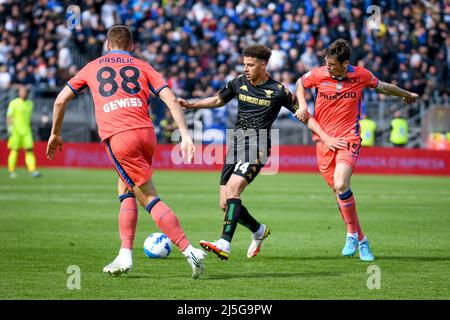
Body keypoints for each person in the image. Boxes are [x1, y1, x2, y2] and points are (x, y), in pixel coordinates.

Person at [46, 25, 206, 279]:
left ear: (108, 45)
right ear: (131, 46)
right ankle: (125, 255)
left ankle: (189, 250)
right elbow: (171, 99)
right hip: (146, 133)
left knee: (149, 198)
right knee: (125, 188)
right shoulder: (143, 66)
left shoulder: (92, 67)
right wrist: (185, 135)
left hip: (120, 136)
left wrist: (55, 133)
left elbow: (60, 100)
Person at [179, 44, 345, 260]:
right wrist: (191, 105)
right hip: (236, 143)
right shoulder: (239, 82)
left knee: (233, 189)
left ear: (263, 65)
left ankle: (224, 243)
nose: (245, 68)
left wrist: (325, 136)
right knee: (225, 203)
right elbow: (219, 99)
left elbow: (305, 117)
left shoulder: (278, 91)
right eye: (244, 64)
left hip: (258, 145)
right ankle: (258, 230)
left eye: (250, 65)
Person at [295, 39, 419, 261]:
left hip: (348, 138)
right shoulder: (318, 74)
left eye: (332, 64)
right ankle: (360, 239)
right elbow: (299, 83)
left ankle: (352, 235)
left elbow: (382, 86)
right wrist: (303, 106)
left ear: (345, 63)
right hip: (323, 141)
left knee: (342, 183)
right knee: (338, 193)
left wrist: (405, 93)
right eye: (326, 62)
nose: (328, 67)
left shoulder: (360, 75)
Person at [6, 85, 41, 178]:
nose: (23, 93)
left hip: (26, 131)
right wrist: (9, 127)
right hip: (16, 131)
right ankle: (11, 171)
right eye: (21, 91)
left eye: (25, 92)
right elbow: (9, 116)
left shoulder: (30, 103)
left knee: (29, 150)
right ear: (18, 93)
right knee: (15, 151)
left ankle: (32, 170)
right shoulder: (13, 103)